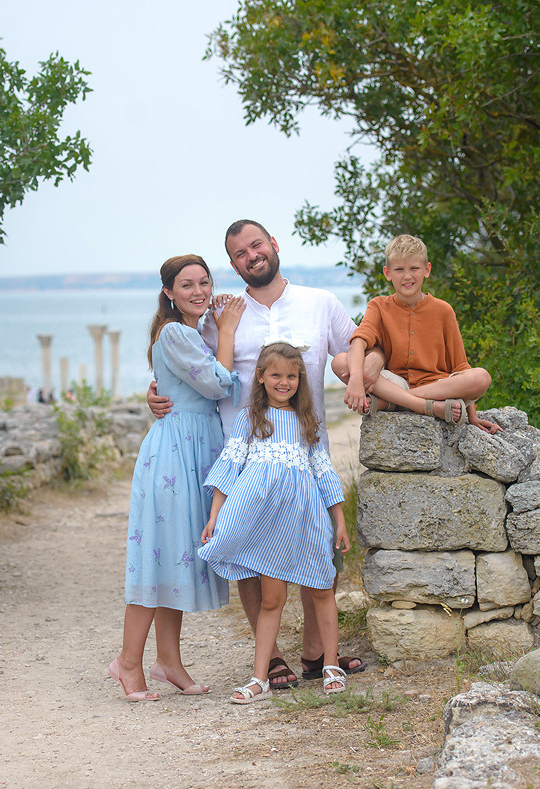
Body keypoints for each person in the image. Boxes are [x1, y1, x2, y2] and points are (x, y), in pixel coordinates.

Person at [148, 219, 373, 689]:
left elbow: (362, 346)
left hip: (306, 449)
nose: (252, 256)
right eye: (241, 254)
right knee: (253, 555)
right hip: (245, 453)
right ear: (234, 266)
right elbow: (193, 369)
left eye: (257, 245)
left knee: (318, 552)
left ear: (273, 244)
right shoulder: (220, 317)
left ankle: (316, 654)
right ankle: (268, 658)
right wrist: (157, 392)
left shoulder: (320, 303)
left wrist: (356, 375)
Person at [109, 254, 245, 702]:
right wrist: (227, 330)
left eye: (205, 283)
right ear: (169, 292)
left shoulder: (189, 331)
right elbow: (219, 384)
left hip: (197, 449)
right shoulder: (174, 331)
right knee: (155, 559)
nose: (199, 292)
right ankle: (128, 662)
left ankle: (168, 660)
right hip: (173, 455)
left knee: (176, 560)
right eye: (187, 285)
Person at [200, 342, 351, 703]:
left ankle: (331, 665)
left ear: (300, 379)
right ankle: (259, 677)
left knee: (321, 588)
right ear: (261, 376)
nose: (284, 382)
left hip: (305, 516)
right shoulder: (249, 417)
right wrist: (215, 515)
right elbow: (229, 467)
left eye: (292, 376)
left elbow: (323, 471)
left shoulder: (306, 420)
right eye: (276, 375)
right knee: (272, 599)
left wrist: (339, 520)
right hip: (265, 521)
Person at [342, 234, 503, 435]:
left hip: (438, 387)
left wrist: (473, 416)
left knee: (481, 377)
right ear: (387, 273)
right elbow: (360, 340)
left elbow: (461, 366)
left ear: (426, 270)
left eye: (414, 269)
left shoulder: (444, 310)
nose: (407, 276)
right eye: (399, 270)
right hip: (396, 382)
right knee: (341, 361)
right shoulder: (378, 306)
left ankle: (392, 403)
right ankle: (422, 405)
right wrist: (356, 378)